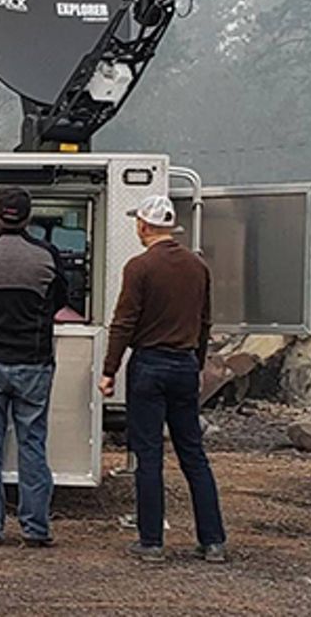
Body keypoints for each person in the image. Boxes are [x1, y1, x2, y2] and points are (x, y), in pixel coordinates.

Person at [100, 195, 227, 564]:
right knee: (194, 455)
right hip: (186, 365)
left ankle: (152, 541)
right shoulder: (197, 266)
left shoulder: (139, 267)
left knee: (149, 454)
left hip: (150, 366)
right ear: (170, 227)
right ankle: (213, 540)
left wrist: (109, 370)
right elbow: (205, 322)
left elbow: (124, 323)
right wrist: (197, 365)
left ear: (143, 225)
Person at [0, 187, 68, 547]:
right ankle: (35, 530)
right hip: (34, 364)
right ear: (28, 216)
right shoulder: (46, 256)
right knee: (32, 445)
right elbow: (61, 299)